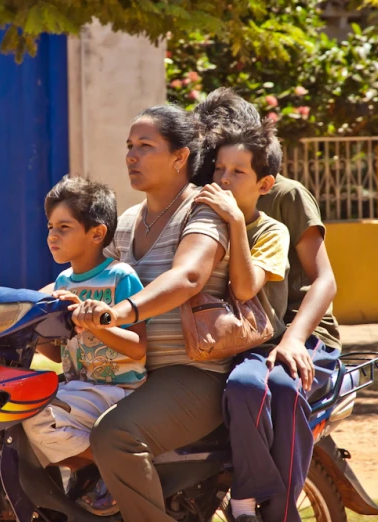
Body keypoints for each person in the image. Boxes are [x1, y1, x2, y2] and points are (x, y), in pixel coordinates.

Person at [66, 103, 232, 522]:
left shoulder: (202, 211)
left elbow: (189, 277)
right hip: (131, 371)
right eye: (128, 146)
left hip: (192, 372)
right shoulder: (124, 223)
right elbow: (85, 278)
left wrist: (118, 313)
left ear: (180, 157)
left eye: (145, 146)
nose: (131, 157)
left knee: (115, 435)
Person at [194, 88, 341, 522]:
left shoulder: (285, 196)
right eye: (214, 158)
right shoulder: (209, 190)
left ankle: (279, 513)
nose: (220, 172)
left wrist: (295, 339)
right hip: (242, 333)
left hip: (298, 328)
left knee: (283, 386)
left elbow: (325, 279)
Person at [22, 176, 148, 506]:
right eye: (50, 226)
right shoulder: (63, 281)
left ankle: (114, 469)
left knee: (39, 416)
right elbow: (58, 352)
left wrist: (95, 323)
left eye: (64, 227)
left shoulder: (120, 276)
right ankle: (90, 474)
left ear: (96, 233)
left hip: (118, 389)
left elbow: (138, 347)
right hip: (80, 386)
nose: (52, 235)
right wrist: (31, 331)